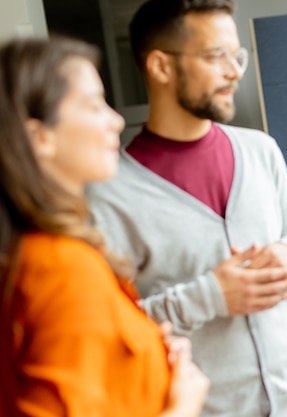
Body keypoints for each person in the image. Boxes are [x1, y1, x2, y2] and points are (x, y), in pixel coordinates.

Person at [86, 1, 287, 416]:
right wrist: (208, 296)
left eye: (237, 56)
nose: (235, 71)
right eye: (217, 57)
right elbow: (109, 333)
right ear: (161, 66)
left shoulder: (261, 151)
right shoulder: (109, 196)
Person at [0, 36, 209, 417]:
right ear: (40, 137)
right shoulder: (59, 268)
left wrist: (146, 356)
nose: (115, 120)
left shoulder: (39, 255)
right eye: (94, 105)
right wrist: (182, 406)